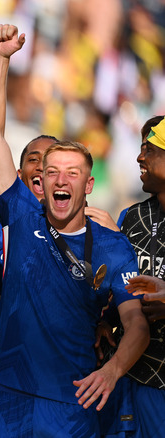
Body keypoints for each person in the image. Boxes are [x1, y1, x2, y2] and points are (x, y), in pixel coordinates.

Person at [0, 24, 149, 436]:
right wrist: (0, 59)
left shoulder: (112, 246)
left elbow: (138, 325)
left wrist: (111, 371)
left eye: (72, 173)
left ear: (87, 186)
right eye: (51, 171)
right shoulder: (22, 214)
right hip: (9, 398)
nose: (60, 180)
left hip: (72, 405)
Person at [100, 115, 165, 437]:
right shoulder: (131, 217)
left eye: (150, 150)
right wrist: (102, 315)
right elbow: (116, 286)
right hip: (127, 376)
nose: (140, 157)